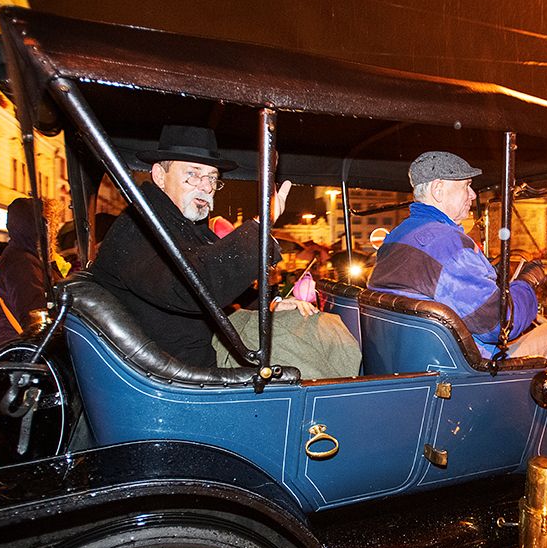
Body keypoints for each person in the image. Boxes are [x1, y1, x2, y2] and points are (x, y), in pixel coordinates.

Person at [93, 125, 359, 375]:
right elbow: (191, 287)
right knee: (293, 345)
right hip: (177, 367)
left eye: (212, 178)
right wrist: (261, 224)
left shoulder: (178, 223)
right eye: (193, 174)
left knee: (318, 325)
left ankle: (346, 390)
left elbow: (215, 277)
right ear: (160, 175)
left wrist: (270, 304)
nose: (207, 187)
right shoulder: (140, 227)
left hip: (201, 343)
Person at [368, 151, 547, 363]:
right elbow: (498, 325)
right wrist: (527, 284)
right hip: (465, 369)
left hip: (410, 358)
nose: (473, 194)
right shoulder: (449, 244)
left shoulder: (395, 237)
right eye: (466, 185)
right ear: (438, 190)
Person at [0, 198, 50, 350]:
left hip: (15, 344)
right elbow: (33, 314)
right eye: (44, 222)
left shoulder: (22, 254)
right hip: (18, 348)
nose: (47, 228)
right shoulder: (21, 260)